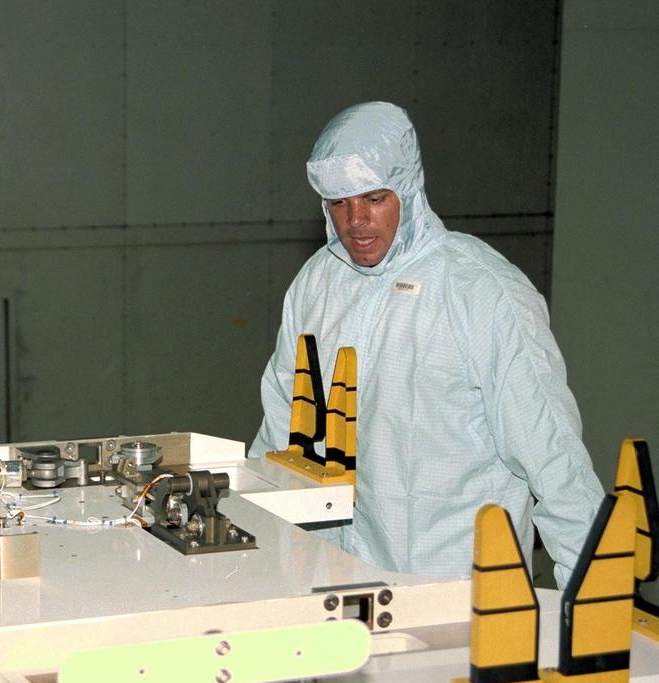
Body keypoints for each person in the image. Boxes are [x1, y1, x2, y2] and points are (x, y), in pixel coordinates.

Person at [250, 101, 604, 588]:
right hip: (334, 583)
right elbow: (279, 433)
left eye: (374, 198)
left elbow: (553, 458)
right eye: (339, 203)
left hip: (455, 590)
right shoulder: (318, 285)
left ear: (409, 190)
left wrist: (591, 610)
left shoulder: (481, 291)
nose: (356, 221)